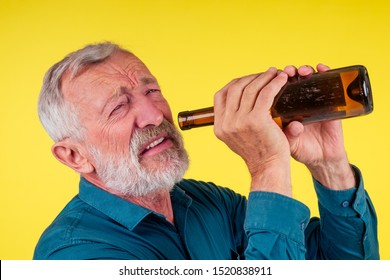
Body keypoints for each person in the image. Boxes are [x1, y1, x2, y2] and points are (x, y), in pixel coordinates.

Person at [33, 42, 379, 260]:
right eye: (118, 107)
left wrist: (329, 165)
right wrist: (268, 167)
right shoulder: (73, 255)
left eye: (152, 91)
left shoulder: (212, 203)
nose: (156, 115)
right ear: (75, 156)